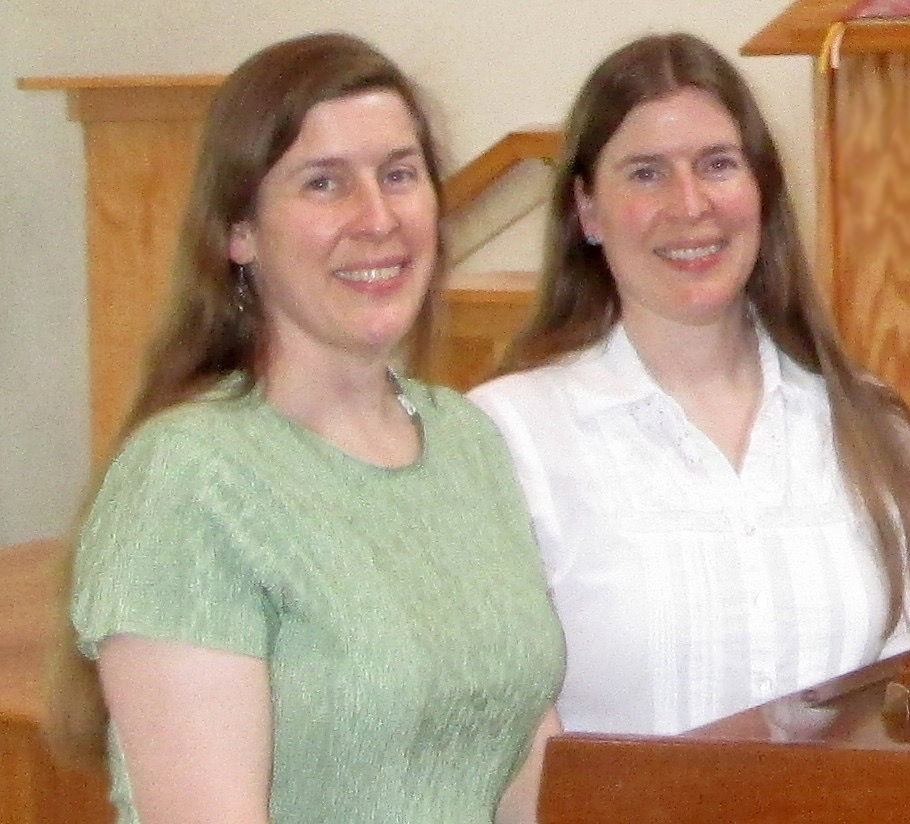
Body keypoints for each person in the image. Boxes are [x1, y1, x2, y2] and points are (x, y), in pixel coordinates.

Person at [50, 32, 563, 824]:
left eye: (399, 175)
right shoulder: (189, 479)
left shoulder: (467, 440)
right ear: (239, 231)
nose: (378, 218)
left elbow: (525, 760)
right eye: (324, 183)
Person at [468, 32, 910, 737]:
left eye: (717, 165)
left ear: (761, 191)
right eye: (645, 173)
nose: (690, 204)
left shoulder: (872, 425)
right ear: (587, 210)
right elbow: (494, 741)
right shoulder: (506, 439)